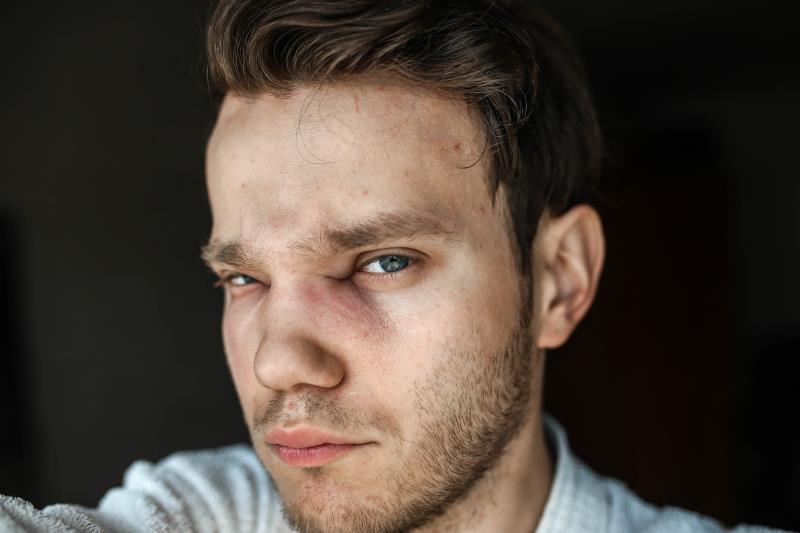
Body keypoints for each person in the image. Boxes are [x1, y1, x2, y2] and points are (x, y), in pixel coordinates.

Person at [0, 1, 791, 532]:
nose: (280, 361)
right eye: (244, 278)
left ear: (560, 279)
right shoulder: (209, 512)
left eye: (382, 261)